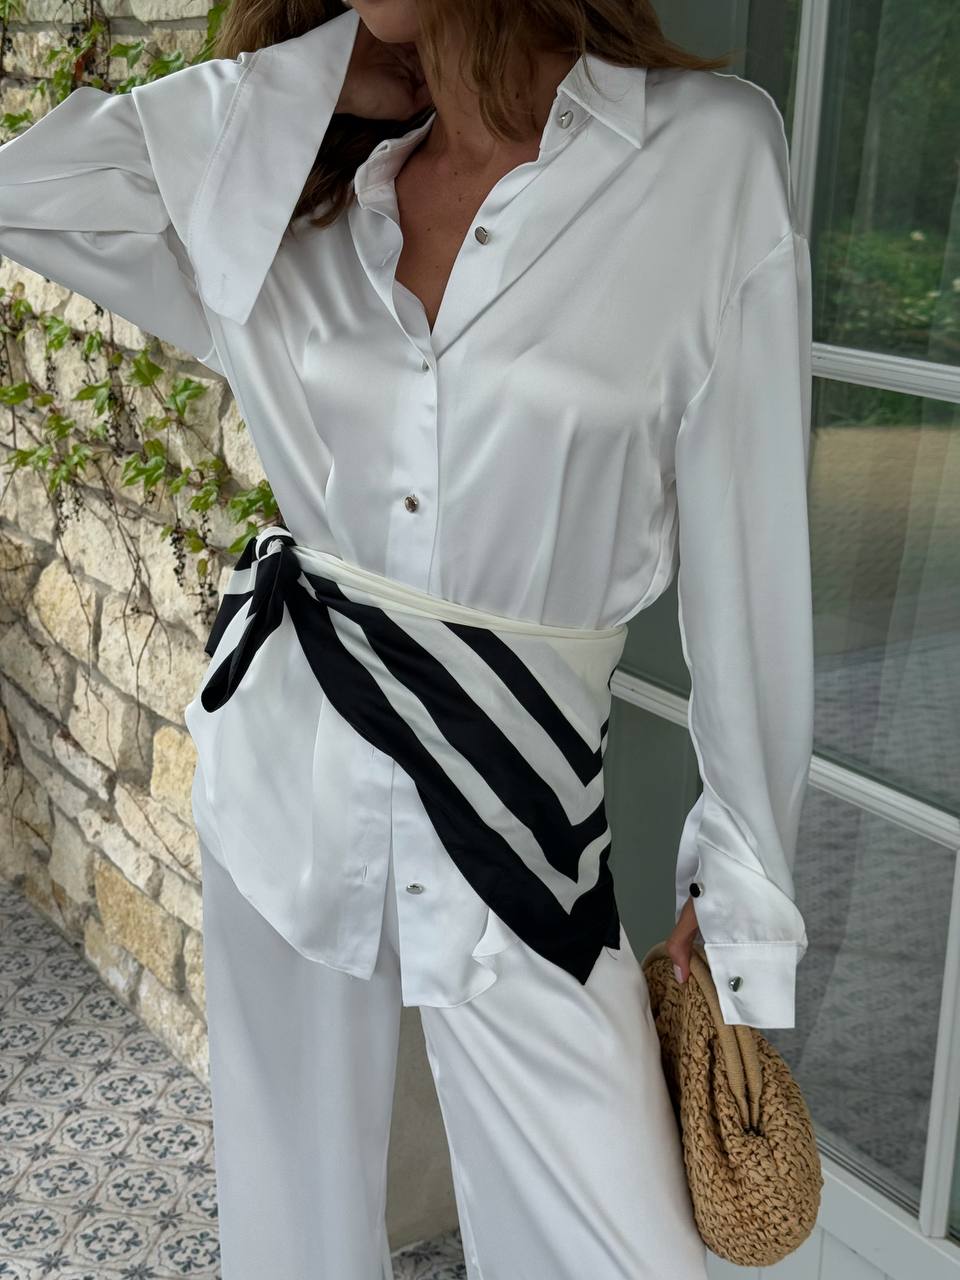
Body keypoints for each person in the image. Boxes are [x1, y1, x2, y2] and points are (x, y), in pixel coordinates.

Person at [0, 0, 815, 1276]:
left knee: (619, 1249)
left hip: (524, 823)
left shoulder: (706, 159)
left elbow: (753, 553)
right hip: (288, 791)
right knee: (294, 1234)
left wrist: (746, 878)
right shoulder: (282, 185)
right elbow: (24, 189)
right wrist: (316, 79)